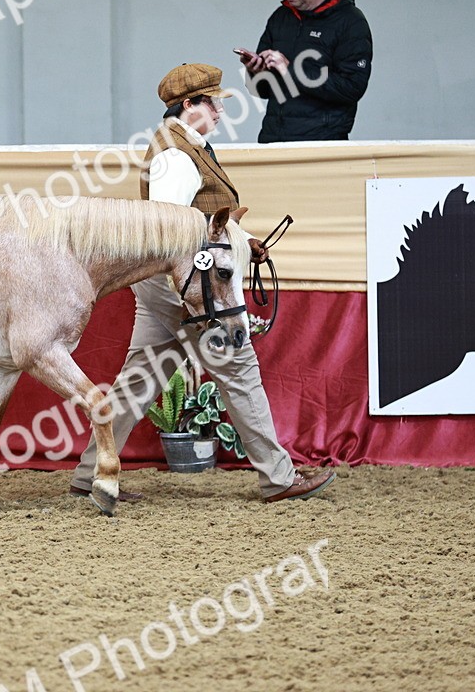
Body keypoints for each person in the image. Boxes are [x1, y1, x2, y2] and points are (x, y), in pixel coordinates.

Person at [69, 63, 336, 504]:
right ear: (189, 105)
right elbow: (173, 232)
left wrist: (244, 240)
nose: (219, 111)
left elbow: (204, 224)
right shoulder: (176, 157)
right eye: (212, 103)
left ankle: (91, 473)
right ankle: (279, 477)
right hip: (185, 287)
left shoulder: (186, 146)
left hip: (163, 283)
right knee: (238, 366)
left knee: (140, 379)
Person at [241, 0, 372, 142]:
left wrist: (291, 71)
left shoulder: (350, 22)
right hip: (272, 141)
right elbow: (261, 91)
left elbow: (351, 88)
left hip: (321, 146)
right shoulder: (280, 18)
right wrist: (255, 71)